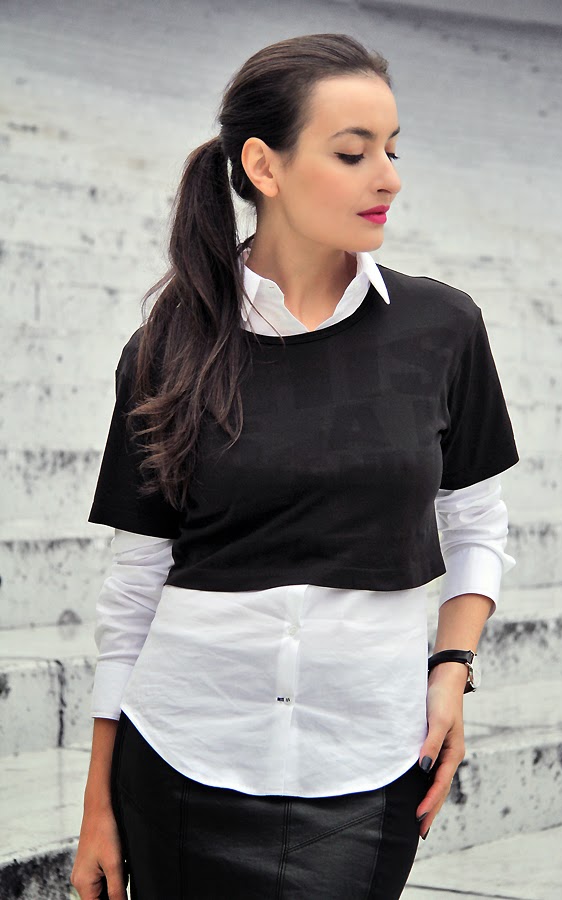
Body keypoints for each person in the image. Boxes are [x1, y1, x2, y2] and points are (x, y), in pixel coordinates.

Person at [70, 33, 518, 900]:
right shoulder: (167, 346)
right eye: (353, 153)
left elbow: (475, 521)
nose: (388, 178)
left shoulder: (443, 328)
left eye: (392, 150)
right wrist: (98, 802)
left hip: (370, 762)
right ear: (263, 167)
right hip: (181, 762)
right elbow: (134, 584)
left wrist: (452, 669)